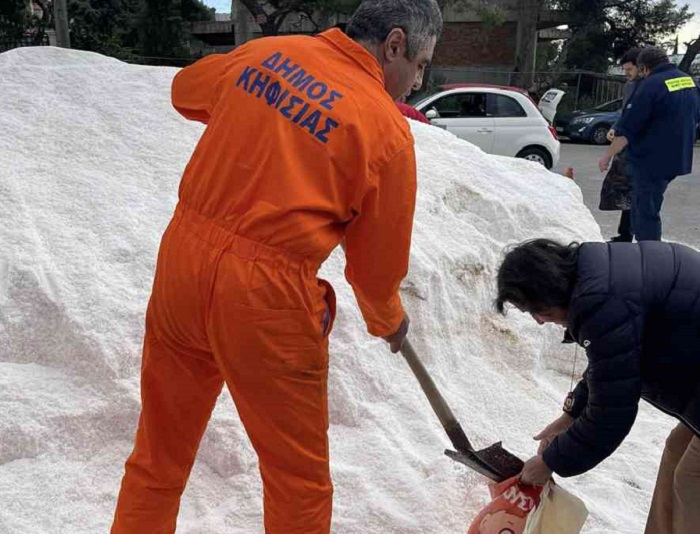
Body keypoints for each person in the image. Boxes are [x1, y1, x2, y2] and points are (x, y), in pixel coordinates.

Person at [111, 1, 442, 533]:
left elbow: (186, 90)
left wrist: (258, 114)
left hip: (183, 267)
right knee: (297, 482)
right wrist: (387, 319)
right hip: (265, 299)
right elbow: (376, 268)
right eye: (421, 63)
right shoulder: (386, 131)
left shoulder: (266, 54)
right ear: (394, 44)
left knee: (158, 456)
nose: (417, 80)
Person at [496, 239, 700, 534]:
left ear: (551, 290)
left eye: (538, 310)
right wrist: (572, 413)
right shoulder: (595, 274)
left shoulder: (601, 301)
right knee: (676, 450)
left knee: (692, 477)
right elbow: (613, 362)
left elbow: (611, 415)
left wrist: (550, 462)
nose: (539, 321)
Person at [599, 47, 700, 241]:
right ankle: (637, 244)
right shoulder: (688, 81)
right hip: (679, 158)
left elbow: (628, 127)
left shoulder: (650, 85)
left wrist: (607, 155)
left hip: (651, 160)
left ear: (644, 68)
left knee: (645, 211)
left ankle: (651, 256)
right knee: (642, 204)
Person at [601, 48, 641, 243]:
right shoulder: (629, 86)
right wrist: (615, 127)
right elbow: (626, 113)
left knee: (637, 195)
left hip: (640, 150)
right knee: (622, 192)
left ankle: (631, 236)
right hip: (624, 148)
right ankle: (624, 234)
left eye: (629, 70)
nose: (627, 75)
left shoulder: (650, 87)